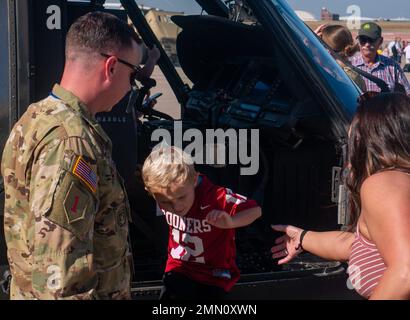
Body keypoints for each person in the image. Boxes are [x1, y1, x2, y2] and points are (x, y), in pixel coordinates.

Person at [1, 12, 147, 299]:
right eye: (133, 74)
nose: (131, 86)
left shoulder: (36, 117)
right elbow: (60, 279)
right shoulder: (71, 142)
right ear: (111, 66)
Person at [271, 92, 410, 300]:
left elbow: (405, 272)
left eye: (353, 132)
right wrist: (301, 237)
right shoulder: (396, 184)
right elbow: (355, 245)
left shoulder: (384, 184)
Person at [141, 146, 262, 300]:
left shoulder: (215, 197)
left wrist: (231, 221)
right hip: (179, 268)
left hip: (213, 273)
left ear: (194, 180)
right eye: (166, 202)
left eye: (181, 197)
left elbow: (255, 210)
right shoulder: (166, 192)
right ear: (150, 192)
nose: (177, 207)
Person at [350, 22, 410, 95]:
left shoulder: (392, 67)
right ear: (358, 41)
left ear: (380, 41)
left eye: (371, 40)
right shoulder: (350, 65)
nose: (367, 44)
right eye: (363, 40)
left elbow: (407, 95)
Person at [315, 24, 366, 91]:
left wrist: (309, 41)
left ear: (327, 50)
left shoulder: (335, 77)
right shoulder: (353, 75)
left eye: (320, 45)